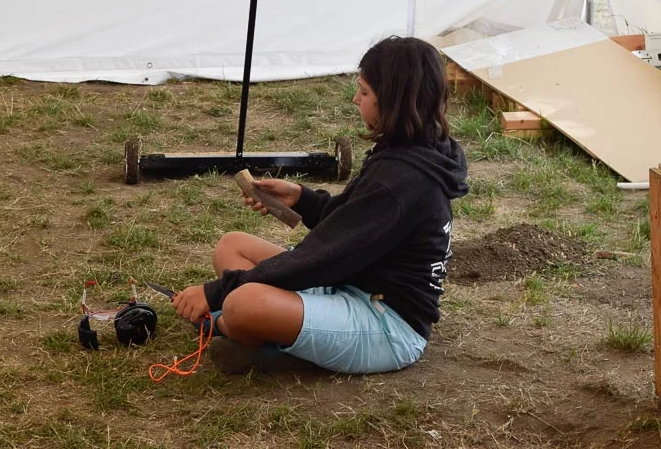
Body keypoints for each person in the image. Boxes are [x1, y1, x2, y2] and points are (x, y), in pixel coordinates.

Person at [172, 36, 469, 374]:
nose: (355, 99)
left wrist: (215, 293)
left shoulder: (402, 179)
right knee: (232, 245)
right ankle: (266, 337)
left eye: (364, 91)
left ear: (393, 99)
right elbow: (350, 224)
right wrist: (302, 198)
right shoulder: (410, 150)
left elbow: (320, 257)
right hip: (351, 281)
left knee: (241, 303)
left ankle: (255, 343)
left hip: (387, 325)